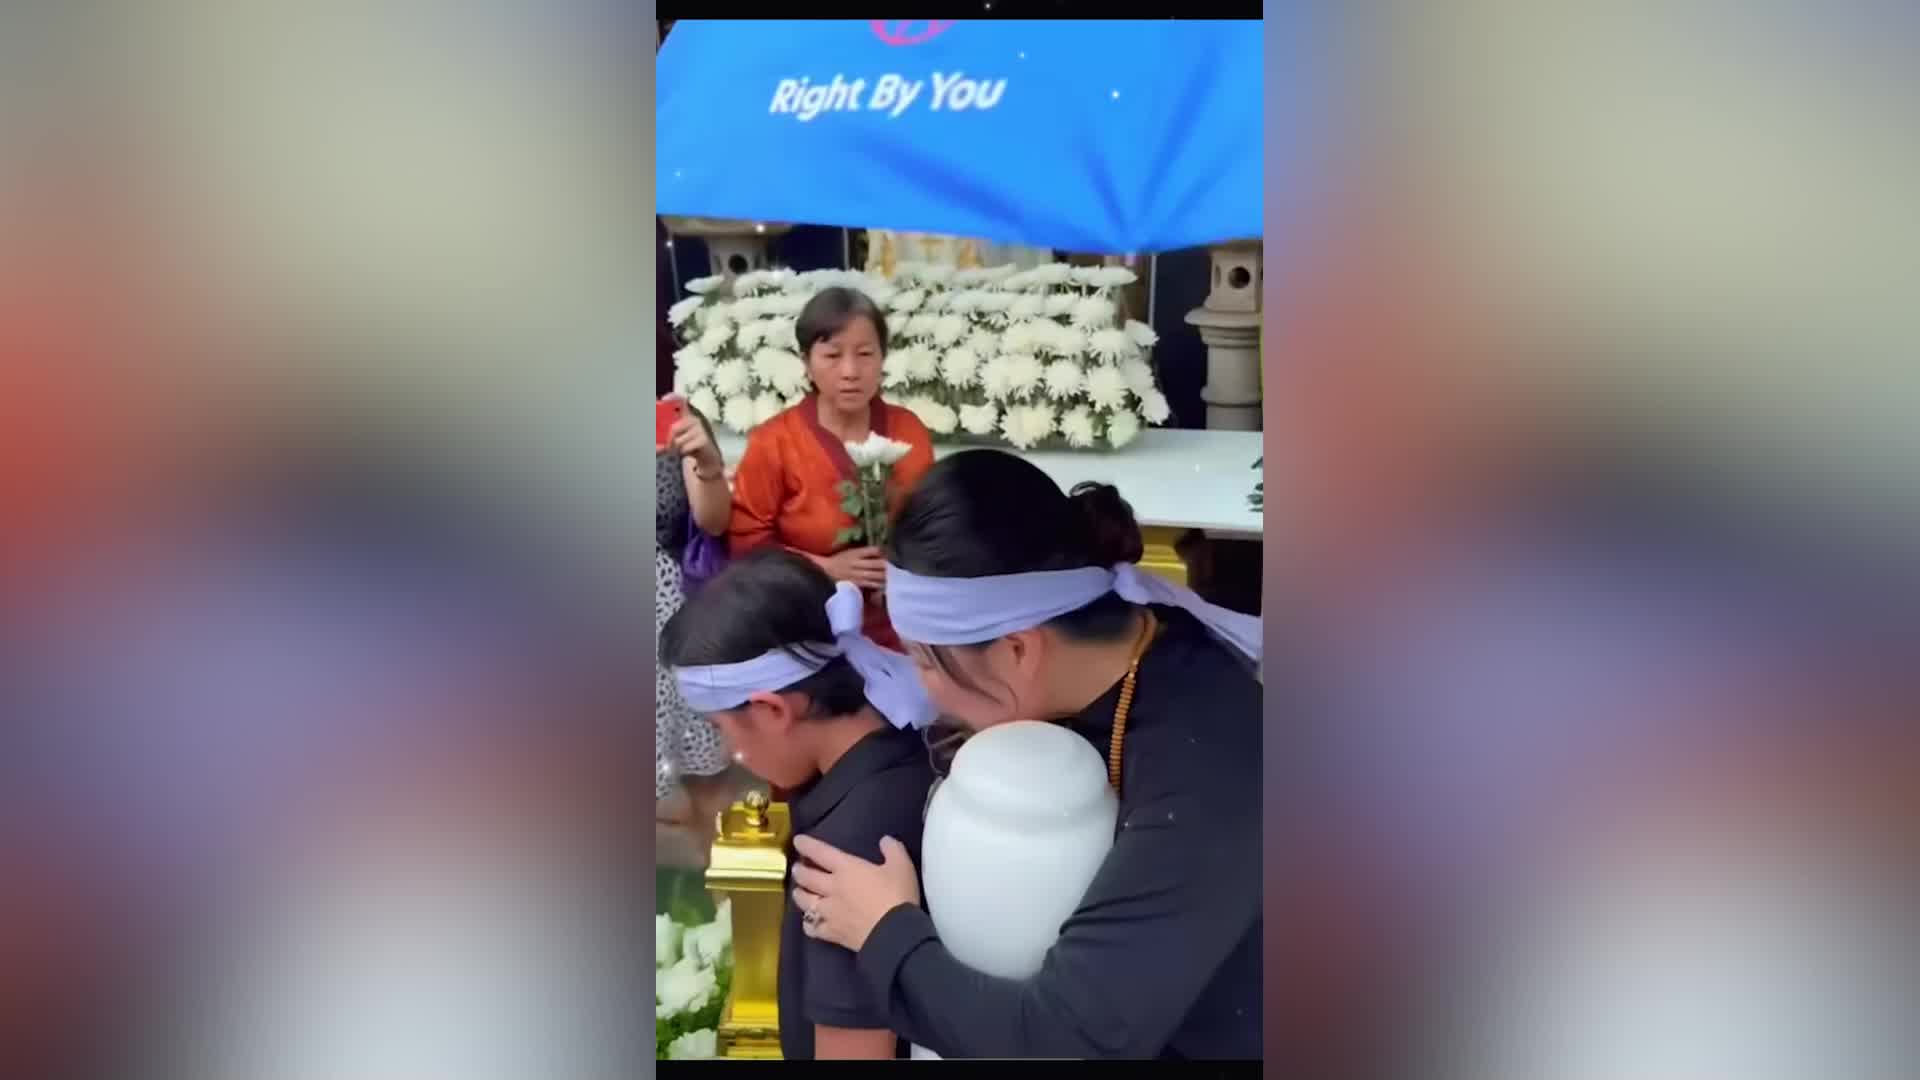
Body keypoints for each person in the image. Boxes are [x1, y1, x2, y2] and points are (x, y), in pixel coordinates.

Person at [784, 450, 1265, 1060]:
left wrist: (884, 935)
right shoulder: (1118, 650)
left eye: (927, 660)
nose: (922, 689)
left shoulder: (1205, 768)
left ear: (1017, 651)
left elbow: (1065, 1038)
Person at [660, 549, 937, 1060]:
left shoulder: (844, 858)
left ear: (771, 709)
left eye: (721, 728)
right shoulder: (910, 741)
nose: (730, 750)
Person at [727, 287, 935, 650]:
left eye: (865, 354)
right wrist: (825, 568)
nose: (850, 372)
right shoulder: (774, 442)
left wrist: (902, 567)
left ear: (883, 358)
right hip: (807, 626)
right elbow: (745, 546)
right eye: (832, 356)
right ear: (807, 363)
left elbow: (933, 523)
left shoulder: (908, 430)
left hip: (903, 626)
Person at [654, 401, 741, 827]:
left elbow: (714, 522)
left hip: (667, 613)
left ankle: (725, 867)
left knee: (707, 779)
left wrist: (706, 462)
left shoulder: (675, 418)